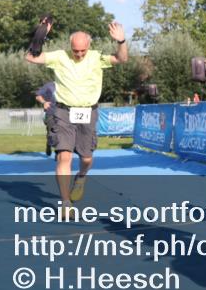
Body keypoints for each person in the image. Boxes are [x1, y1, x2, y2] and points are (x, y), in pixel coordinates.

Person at [25, 21, 128, 205]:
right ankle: (65, 202)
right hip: (63, 112)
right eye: (75, 51)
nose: (79, 54)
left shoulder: (96, 57)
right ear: (70, 46)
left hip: (88, 112)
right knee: (64, 157)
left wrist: (121, 41)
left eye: (82, 51)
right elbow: (31, 57)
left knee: (86, 158)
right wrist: (39, 35)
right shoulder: (59, 56)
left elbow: (122, 59)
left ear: (89, 46)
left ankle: (81, 176)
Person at [36, 81, 57, 157]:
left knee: (62, 133)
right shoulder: (49, 85)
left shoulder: (66, 84)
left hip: (63, 113)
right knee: (51, 132)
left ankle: (58, 151)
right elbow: (38, 96)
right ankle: (49, 144)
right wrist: (44, 102)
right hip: (50, 113)